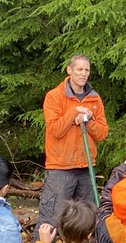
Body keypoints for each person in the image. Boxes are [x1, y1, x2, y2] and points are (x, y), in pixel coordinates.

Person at [40, 55, 108, 226]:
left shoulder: (94, 98)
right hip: (60, 168)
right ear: (69, 70)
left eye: (87, 70)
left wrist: (88, 120)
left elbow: (102, 134)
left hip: (86, 167)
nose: (83, 74)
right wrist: (74, 112)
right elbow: (55, 130)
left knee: (87, 217)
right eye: (79, 69)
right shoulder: (54, 96)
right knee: (53, 216)